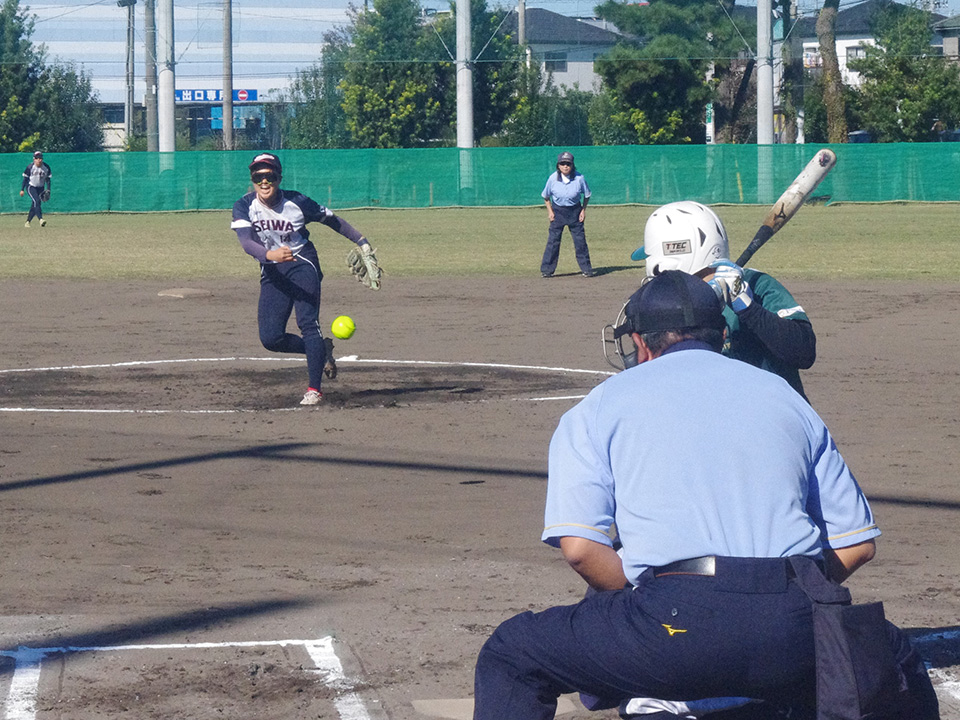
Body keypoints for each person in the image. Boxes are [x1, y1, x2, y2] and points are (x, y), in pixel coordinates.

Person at [472, 271, 938, 720]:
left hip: (671, 625)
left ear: (640, 342)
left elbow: (580, 550)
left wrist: (645, 598)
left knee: (512, 654)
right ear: (721, 334)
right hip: (794, 623)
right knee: (895, 657)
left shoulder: (599, 405)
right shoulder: (784, 396)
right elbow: (858, 543)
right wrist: (781, 605)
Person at [231, 152, 377, 406]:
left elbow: (332, 220)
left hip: (302, 264)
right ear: (252, 179)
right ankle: (321, 351)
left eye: (270, 175)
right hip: (273, 270)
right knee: (271, 338)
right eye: (258, 176)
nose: (264, 181)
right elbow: (245, 242)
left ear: (279, 177)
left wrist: (362, 242)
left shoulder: (297, 201)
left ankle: (314, 390)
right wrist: (270, 255)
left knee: (307, 323)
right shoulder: (244, 206)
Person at [631, 201, 815, 400]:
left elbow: (803, 352)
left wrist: (748, 309)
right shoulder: (664, 303)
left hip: (774, 415)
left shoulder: (755, 286)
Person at [540, 151, 596, 278]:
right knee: (553, 241)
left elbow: (587, 195)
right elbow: (546, 196)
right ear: (558, 165)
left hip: (575, 211)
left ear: (572, 165)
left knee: (580, 241)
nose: (565, 166)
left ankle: (586, 269)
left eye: (568, 164)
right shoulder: (552, 179)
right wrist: (550, 211)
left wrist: (583, 210)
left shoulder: (579, 178)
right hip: (558, 211)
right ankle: (547, 270)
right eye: (563, 163)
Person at [21, 151, 52, 228]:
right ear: (34, 159)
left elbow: (48, 180)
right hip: (31, 187)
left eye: (40, 158)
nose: (39, 160)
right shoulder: (30, 167)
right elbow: (25, 179)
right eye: (37, 158)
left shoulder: (46, 167)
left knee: (35, 205)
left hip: (40, 187)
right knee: (36, 201)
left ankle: (27, 222)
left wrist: (48, 189)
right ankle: (41, 219)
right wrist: (22, 189)